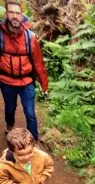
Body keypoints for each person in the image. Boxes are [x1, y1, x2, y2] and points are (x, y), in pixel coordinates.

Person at [0, 0, 48, 140]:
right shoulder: (1, 36)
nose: (15, 16)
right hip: (6, 81)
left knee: (30, 113)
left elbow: (39, 63)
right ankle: (10, 125)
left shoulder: (30, 37)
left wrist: (44, 85)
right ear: (7, 14)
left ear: (22, 16)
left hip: (26, 82)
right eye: (12, 12)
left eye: (18, 13)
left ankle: (33, 142)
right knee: (10, 108)